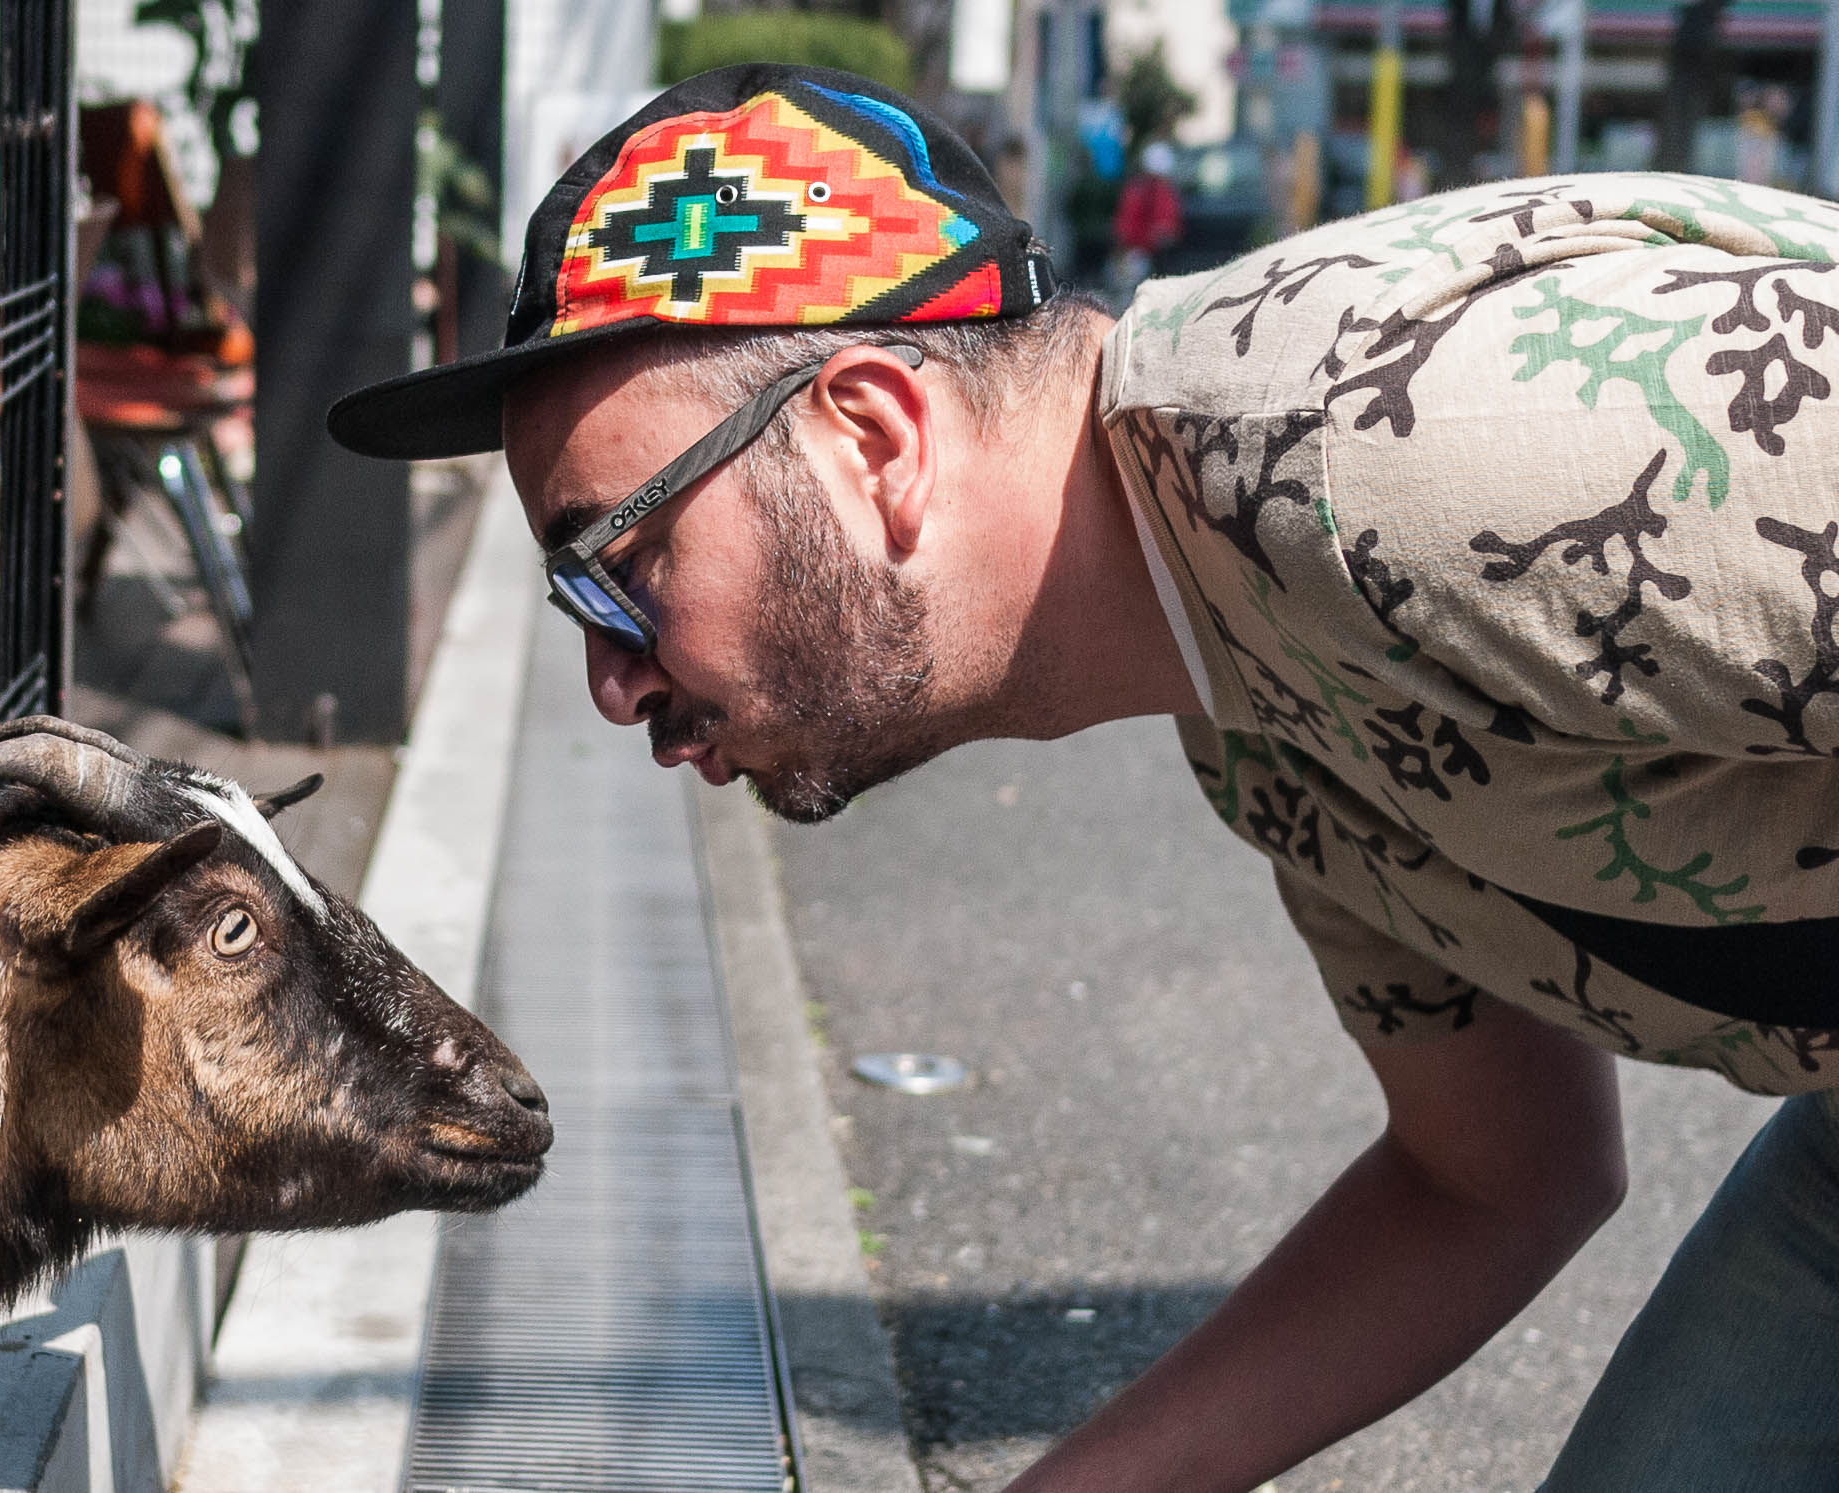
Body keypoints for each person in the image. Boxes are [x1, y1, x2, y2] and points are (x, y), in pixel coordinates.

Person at [325, 63, 1839, 1493]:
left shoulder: (1404, 455)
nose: (612, 676)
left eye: (619, 561)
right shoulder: (1254, 706)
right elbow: (1497, 1178)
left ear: (874, 437)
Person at [1111, 138, 1184, 292]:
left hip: (1154, 252)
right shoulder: (1144, 190)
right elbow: (1127, 225)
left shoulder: (1161, 191)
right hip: (1138, 252)